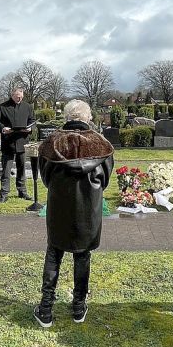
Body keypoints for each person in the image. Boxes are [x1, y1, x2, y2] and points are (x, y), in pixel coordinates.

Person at [33, 100, 114, 328]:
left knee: (54, 253)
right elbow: (105, 178)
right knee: (82, 255)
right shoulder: (102, 145)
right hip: (88, 207)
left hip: (60, 205)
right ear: (87, 118)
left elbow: (46, 177)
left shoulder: (51, 143)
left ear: (67, 117)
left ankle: (46, 309)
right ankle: (79, 307)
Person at [0, 87, 35, 203]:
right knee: (6, 170)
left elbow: (32, 120)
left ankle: (22, 191)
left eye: (21, 96)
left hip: (22, 141)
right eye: (17, 96)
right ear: (12, 95)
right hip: (8, 142)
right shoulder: (2, 107)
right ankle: (4, 194)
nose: (19, 98)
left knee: (22, 169)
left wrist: (30, 128)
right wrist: (3, 128)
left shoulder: (27, 107)